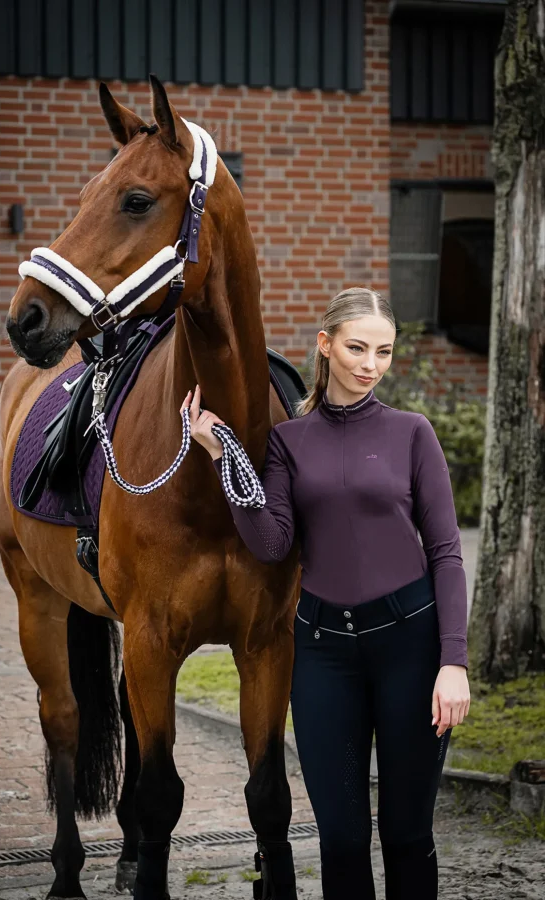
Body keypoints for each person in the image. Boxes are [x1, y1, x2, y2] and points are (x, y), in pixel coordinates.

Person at [180, 287, 471, 900]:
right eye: (358, 348)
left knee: (407, 834)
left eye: (384, 352)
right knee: (339, 840)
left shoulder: (412, 434)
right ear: (326, 345)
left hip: (410, 650)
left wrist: (453, 662)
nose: (370, 365)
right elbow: (270, 541)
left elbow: (445, 551)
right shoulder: (291, 442)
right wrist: (220, 455)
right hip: (322, 655)